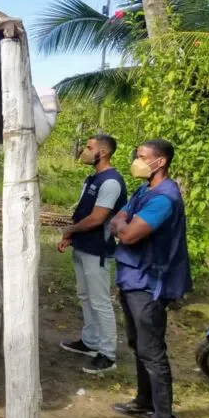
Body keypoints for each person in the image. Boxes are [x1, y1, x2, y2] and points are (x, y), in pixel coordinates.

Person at [109, 139, 191, 418]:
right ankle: (144, 402)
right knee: (137, 343)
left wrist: (121, 227)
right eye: (137, 154)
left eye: (142, 156)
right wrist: (121, 224)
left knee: (152, 351)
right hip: (133, 279)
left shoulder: (163, 199)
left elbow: (127, 233)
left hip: (150, 284)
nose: (136, 160)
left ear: (161, 163)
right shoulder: (145, 190)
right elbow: (117, 218)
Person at [58, 134, 128, 374]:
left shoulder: (111, 182)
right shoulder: (92, 179)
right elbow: (83, 213)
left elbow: (97, 219)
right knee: (85, 296)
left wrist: (70, 230)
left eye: (89, 147)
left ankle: (107, 354)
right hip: (83, 246)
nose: (84, 151)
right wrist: (71, 236)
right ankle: (90, 341)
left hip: (98, 249)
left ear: (104, 153)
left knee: (100, 301)